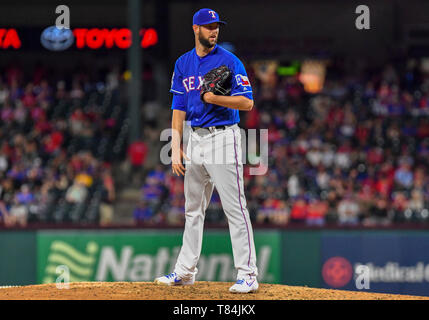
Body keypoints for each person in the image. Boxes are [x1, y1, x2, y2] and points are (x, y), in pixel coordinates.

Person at [154, 8, 258, 293]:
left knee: (235, 208)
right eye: (208, 26)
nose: (214, 31)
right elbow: (178, 107)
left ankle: (248, 274)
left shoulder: (230, 61)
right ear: (195, 29)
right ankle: (185, 271)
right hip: (195, 138)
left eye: (217, 27)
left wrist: (213, 97)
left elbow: (247, 103)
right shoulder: (183, 63)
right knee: (192, 210)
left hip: (224, 138)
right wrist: (176, 146)